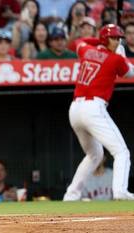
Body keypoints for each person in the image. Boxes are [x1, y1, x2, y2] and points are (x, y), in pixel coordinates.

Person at [63, 24, 134, 201]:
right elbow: (129, 73)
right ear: (105, 39)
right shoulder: (115, 58)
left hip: (75, 110)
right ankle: (120, 191)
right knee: (121, 152)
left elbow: (77, 42)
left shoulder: (86, 50)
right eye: (114, 38)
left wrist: (104, 43)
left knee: (95, 154)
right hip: (93, 108)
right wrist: (121, 54)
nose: (117, 41)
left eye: (119, 39)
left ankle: (71, 195)